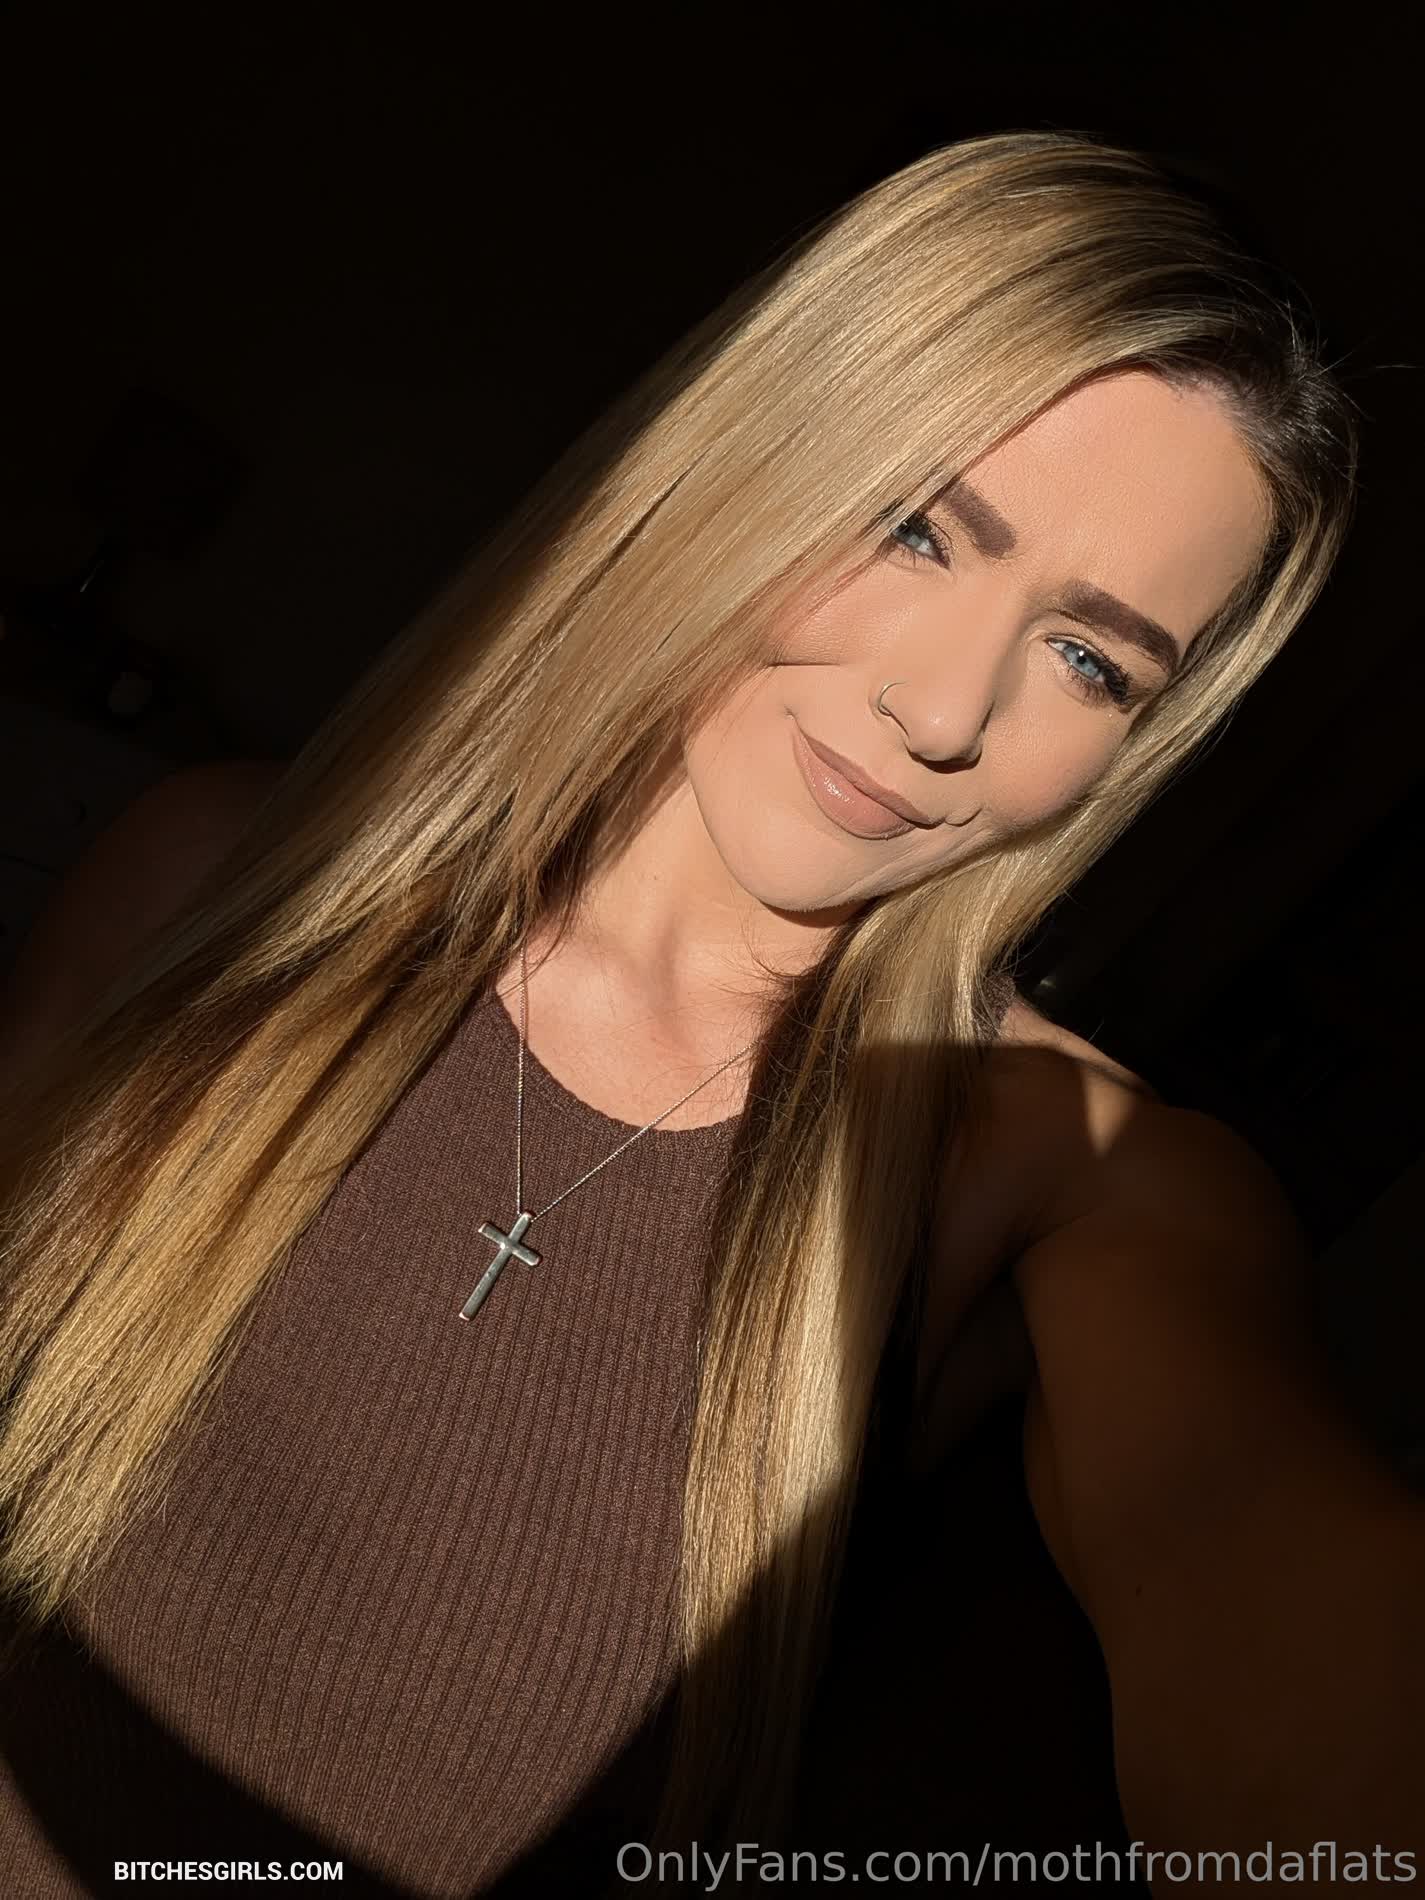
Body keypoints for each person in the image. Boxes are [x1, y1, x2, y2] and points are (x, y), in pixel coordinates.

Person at [1, 129, 1421, 1895]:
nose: (941, 710)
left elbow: (1269, 1603)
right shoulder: (210, 879)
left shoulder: (1069, 1169)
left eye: (1088, 659)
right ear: (752, 459)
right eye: (914, 527)